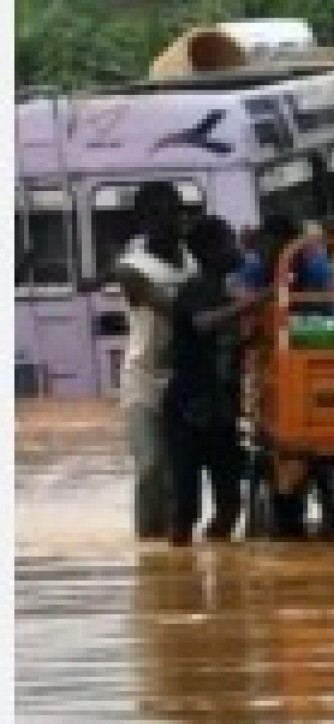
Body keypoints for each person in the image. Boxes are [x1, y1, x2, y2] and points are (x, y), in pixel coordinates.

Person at [163, 216, 268, 546]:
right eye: (228, 243)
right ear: (209, 251)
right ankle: (183, 580)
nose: (236, 249)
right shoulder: (194, 288)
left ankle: (215, 573)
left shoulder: (225, 289)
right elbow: (202, 324)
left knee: (229, 504)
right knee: (186, 510)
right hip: (188, 408)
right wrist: (251, 303)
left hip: (220, 408)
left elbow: (227, 344)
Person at [115, 181, 198, 539]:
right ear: (144, 220)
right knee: (149, 465)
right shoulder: (130, 269)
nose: (170, 221)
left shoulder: (194, 258)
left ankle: (171, 556)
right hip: (142, 380)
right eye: (160, 214)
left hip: (184, 378)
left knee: (179, 473)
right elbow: (174, 310)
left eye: (175, 212)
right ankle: (146, 550)